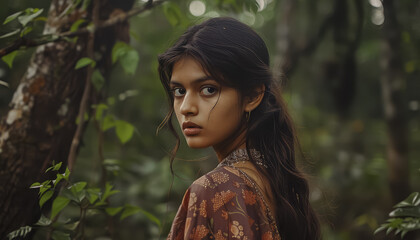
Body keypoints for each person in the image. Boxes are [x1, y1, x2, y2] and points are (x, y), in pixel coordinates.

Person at [158, 17, 320, 240]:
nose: (186, 108)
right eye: (179, 91)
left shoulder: (217, 189)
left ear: (253, 95)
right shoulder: (270, 180)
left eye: (208, 90)